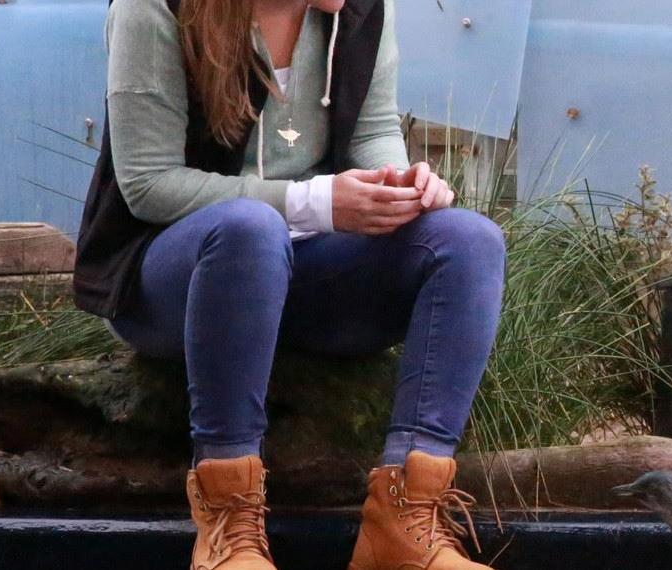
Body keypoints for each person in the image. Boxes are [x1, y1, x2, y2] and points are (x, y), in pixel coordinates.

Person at [75, 0, 503, 568]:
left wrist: (400, 186)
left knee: (468, 240)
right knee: (250, 231)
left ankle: (406, 517)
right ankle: (228, 522)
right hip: (176, 278)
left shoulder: (361, 10)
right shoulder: (156, 7)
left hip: (306, 273)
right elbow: (149, 185)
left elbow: (372, 133)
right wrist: (315, 202)